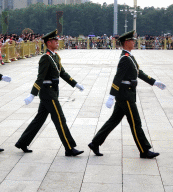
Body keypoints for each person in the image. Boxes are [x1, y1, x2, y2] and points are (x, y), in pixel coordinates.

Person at [88, 30, 166, 159]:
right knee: (135, 122)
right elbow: (117, 78)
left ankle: (95, 143)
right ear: (126, 42)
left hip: (127, 94)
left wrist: (154, 82)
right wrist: (111, 96)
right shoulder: (125, 58)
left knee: (113, 121)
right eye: (132, 40)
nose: (134, 42)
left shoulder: (129, 56)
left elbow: (138, 72)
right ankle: (144, 150)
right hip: (125, 96)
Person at [15, 29, 85, 156]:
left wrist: (75, 84)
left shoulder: (55, 56)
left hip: (53, 92)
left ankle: (22, 142)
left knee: (39, 119)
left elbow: (62, 73)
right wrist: (32, 94)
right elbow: (40, 78)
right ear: (48, 42)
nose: (57, 42)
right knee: (60, 119)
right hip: (48, 93)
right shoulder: (45, 58)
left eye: (57, 40)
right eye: (54, 40)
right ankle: (69, 147)